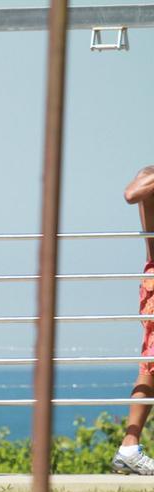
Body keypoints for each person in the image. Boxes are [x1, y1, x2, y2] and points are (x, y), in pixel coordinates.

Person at [113, 165, 154, 474]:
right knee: (150, 367)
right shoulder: (150, 174)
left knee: (150, 368)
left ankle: (129, 447)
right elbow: (131, 194)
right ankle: (129, 447)